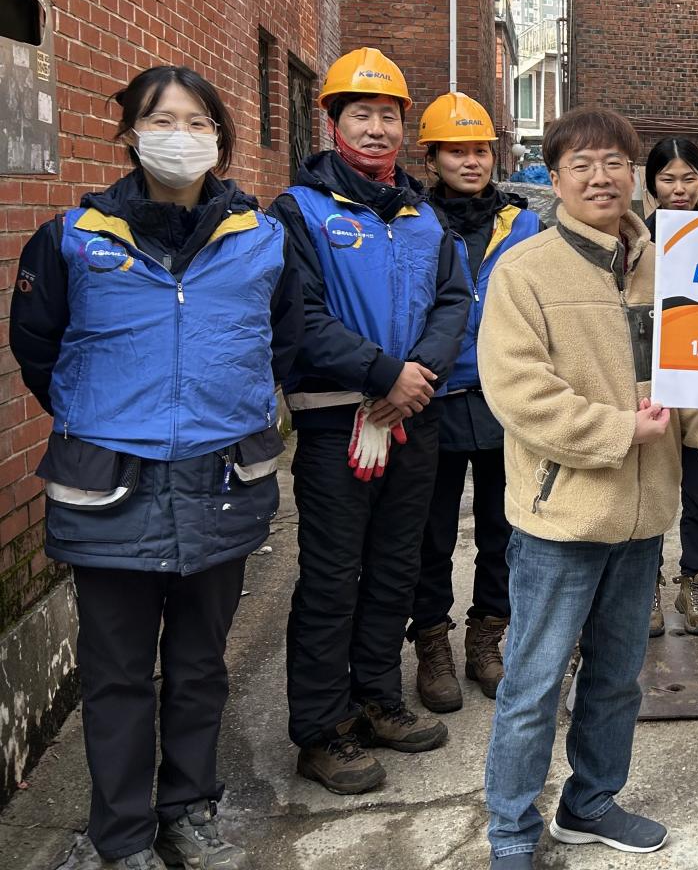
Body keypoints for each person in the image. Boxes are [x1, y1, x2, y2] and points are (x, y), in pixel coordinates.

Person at [9, 66, 301, 870]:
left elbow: (281, 343)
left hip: (221, 480)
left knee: (201, 667)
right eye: (161, 119)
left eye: (198, 120)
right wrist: (115, 411)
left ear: (220, 137)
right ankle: (123, 836)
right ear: (131, 134)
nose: (181, 135)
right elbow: (39, 349)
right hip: (109, 486)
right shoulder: (72, 239)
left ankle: (189, 810)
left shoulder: (261, 240)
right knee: (117, 675)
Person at [477, 106, 698, 867]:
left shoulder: (671, 267)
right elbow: (518, 392)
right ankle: (511, 832)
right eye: (581, 165)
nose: (600, 178)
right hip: (562, 517)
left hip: (643, 517)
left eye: (614, 163)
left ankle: (590, 803)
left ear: (635, 174)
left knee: (618, 677)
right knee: (534, 684)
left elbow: (690, 378)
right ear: (554, 179)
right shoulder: (524, 272)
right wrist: (616, 429)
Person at [271, 48, 471, 795]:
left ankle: (378, 698)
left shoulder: (424, 217)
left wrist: (417, 376)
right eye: (362, 114)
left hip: (415, 418)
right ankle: (322, 729)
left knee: (395, 568)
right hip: (335, 426)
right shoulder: (299, 212)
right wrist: (383, 374)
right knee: (332, 578)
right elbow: (298, 316)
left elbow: (454, 302)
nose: (377, 129)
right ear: (333, 122)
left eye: (389, 115)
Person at [408, 92, 541, 713]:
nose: (471, 161)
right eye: (456, 151)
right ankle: (431, 643)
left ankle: (487, 639)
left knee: (502, 529)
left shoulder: (524, 223)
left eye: (480, 150)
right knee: (430, 534)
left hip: (502, 397)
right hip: (428, 395)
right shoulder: (410, 220)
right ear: (431, 158)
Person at [642, 137, 698, 636]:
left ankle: (696, 580)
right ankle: (646, 583)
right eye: (668, 178)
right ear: (651, 184)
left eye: (689, 177)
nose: (679, 188)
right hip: (649, 384)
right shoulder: (634, 240)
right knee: (650, 487)